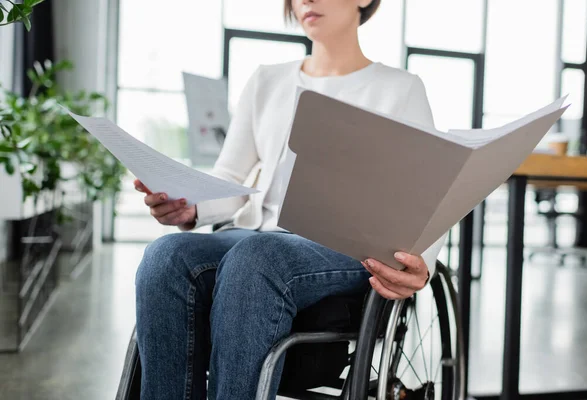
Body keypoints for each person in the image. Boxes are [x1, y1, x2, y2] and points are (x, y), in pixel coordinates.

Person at [134, 0, 447, 398]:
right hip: (259, 233)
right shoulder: (268, 80)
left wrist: (422, 264)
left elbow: (425, 189)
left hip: (343, 247)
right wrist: (192, 206)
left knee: (260, 256)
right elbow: (232, 176)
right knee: (166, 256)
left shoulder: (399, 89)